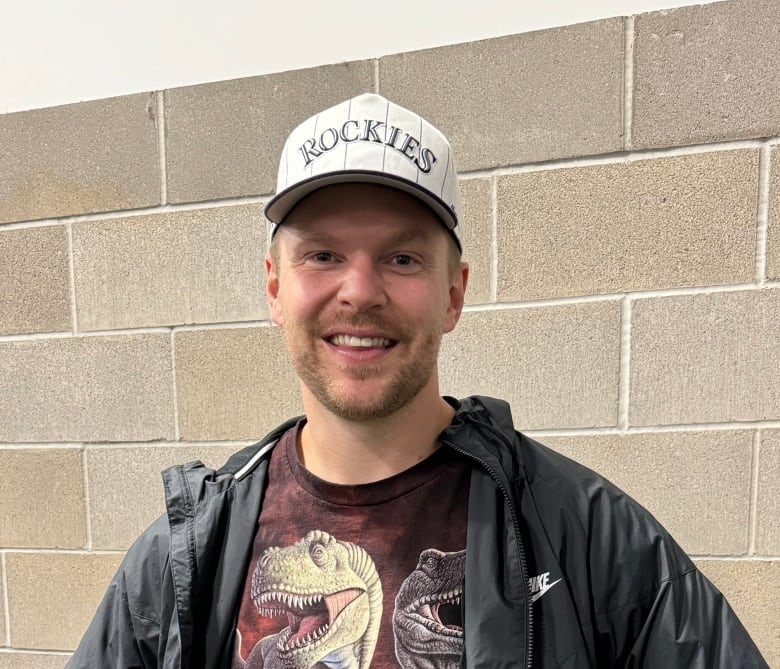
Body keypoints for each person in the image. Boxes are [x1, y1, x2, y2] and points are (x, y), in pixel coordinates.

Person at [67, 93, 769, 668]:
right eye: (323, 254)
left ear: (453, 292)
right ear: (274, 286)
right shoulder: (187, 553)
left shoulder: (588, 537)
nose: (359, 290)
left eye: (402, 258)